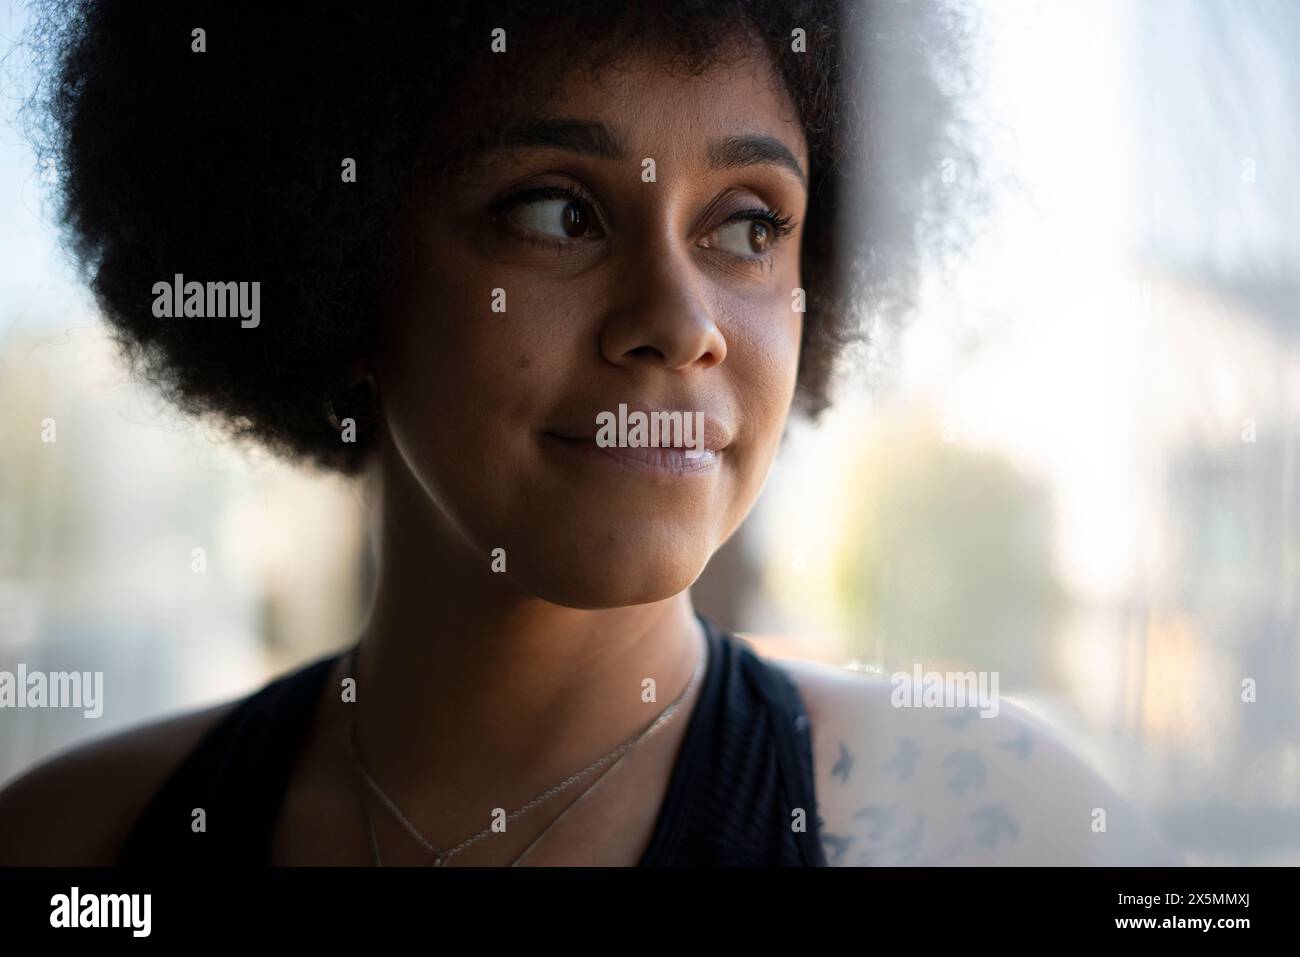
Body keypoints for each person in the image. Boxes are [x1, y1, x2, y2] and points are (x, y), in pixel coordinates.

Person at [0, 0, 1180, 866]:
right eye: (558, 213)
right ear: (344, 273)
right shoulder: (77, 846)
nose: (679, 323)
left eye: (747, 224)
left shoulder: (999, 830)